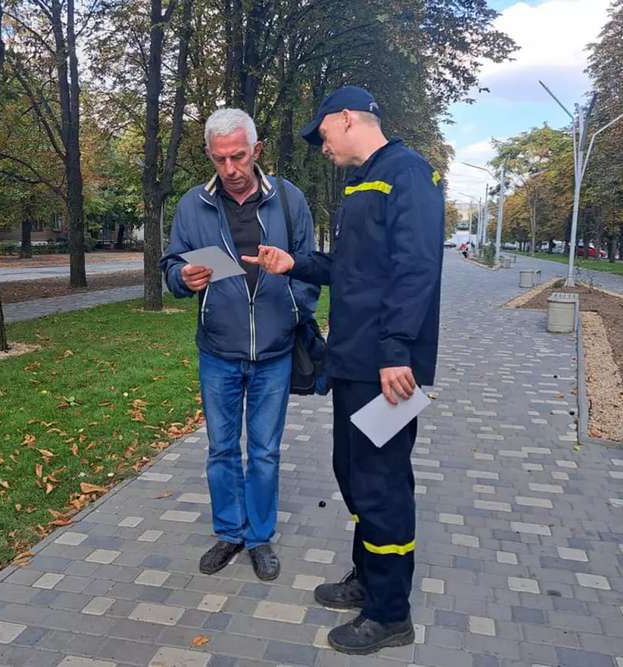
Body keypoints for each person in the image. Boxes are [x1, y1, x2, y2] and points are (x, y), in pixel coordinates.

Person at [243, 86, 444, 654]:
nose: (321, 147)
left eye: (322, 134)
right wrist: (295, 263)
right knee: (354, 474)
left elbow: (416, 271)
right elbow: (350, 269)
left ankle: (390, 614)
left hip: (388, 369)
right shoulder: (365, 182)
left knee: (382, 485)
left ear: (348, 118)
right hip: (354, 363)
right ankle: (367, 579)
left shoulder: (408, 175)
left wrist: (398, 353)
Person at [159, 108, 319, 581]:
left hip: (274, 353)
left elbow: (310, 267)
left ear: (257, 150)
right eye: (220, 158)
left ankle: (259, 537)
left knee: (265, 451)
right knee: (221, 449)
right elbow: (171, 266)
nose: (230, 169)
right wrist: (183, 278)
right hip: (218, 350)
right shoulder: (193, 204)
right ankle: (229, 532)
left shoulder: (289, 200)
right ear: (210, 154)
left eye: (239, 156)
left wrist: (293, 308)